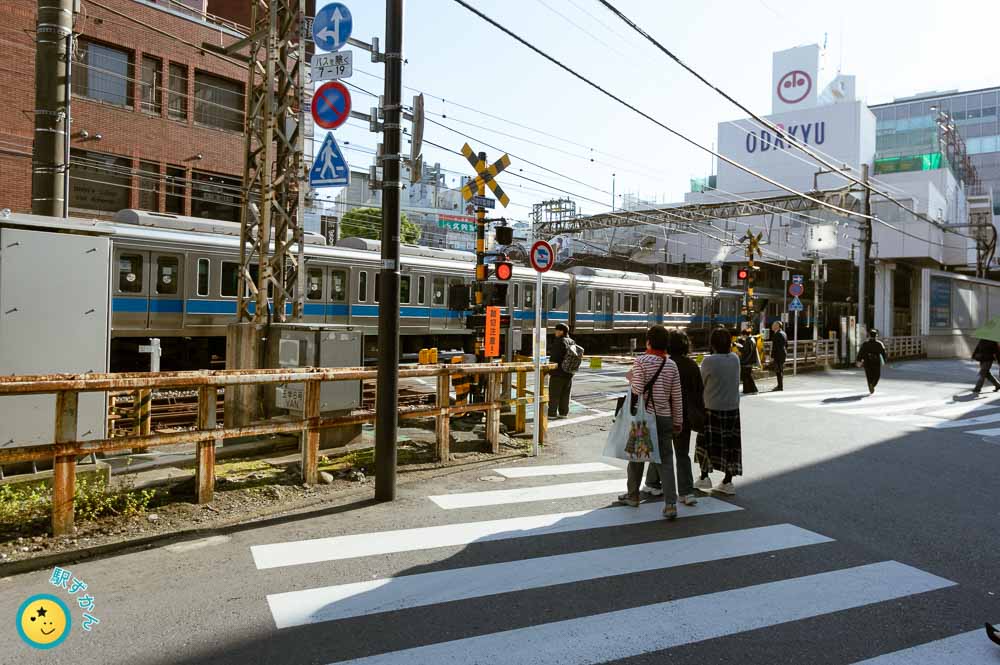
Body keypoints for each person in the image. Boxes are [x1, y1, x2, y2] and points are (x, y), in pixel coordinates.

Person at [619, 325, 684, 519]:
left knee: (636, 458)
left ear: (648, 341)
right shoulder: (671, 364)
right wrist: (678, 422)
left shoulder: (641, 361)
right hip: (664, 417)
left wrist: (630, 378)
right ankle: (671, 504)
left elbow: (638, 389)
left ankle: (633, 496)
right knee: (665, 461)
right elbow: (677, 397)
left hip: (644, 418)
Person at [641, 330, 703, 507]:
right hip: (686, 415)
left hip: (664, 414)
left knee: (661, 451)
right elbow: (699, 392)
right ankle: (686, 492)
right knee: (682, 454)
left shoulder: (666, 363)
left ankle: (652, 483)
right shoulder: (691, 365)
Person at [694, 328, 743, 495]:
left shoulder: (709, 361)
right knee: (730, 446)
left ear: (712, 344)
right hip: (732, 409)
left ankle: (704, 477)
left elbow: (701, 383)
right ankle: (728, 481)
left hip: (711, 408)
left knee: (706, 444)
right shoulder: (735, 359)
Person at [546, 323, 574, 419]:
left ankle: (552, 413)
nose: (555, 332)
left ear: (561, 331)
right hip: (569, 372)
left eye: (556, 330)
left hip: (558, 372)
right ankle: (563, 413)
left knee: (554, 394)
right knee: (565, 394)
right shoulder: (571, 341)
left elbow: (555, 357)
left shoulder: (559, 341)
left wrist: (549, 369)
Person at [858, 329, 889, 394]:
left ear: (869, 336)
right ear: (876, 336)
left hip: (867, 362)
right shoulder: (879, 344)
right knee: (877, 375)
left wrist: (859, 360)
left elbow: (861, 352)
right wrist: (885, 360)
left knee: (869, 376)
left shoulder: (865, 344)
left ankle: (870, 385)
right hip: (876, 362)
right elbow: (884, 353)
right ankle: (873, 384)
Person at [739, 328, 760, 395]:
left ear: (745, 335)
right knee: (747, 375)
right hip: (749, 360)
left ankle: (751, 389)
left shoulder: (748, 341)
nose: (741, 336)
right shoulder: (752, 339)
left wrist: (739, 347)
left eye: (742, 335)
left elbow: (745, 351)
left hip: (747, 361)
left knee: (747, 376)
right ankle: (748, 389)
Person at [769, 321, 788, 391]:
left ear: (777, 326)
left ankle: (780, 386)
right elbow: (786, 345)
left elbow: (775, 347)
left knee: (778, 371)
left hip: (778, 355)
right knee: (780, 370)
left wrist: (772, 356)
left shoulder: (777, 334)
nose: (772, 326)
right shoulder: (783, 333)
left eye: (773, 325)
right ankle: (780, 385)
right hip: (783, 354)